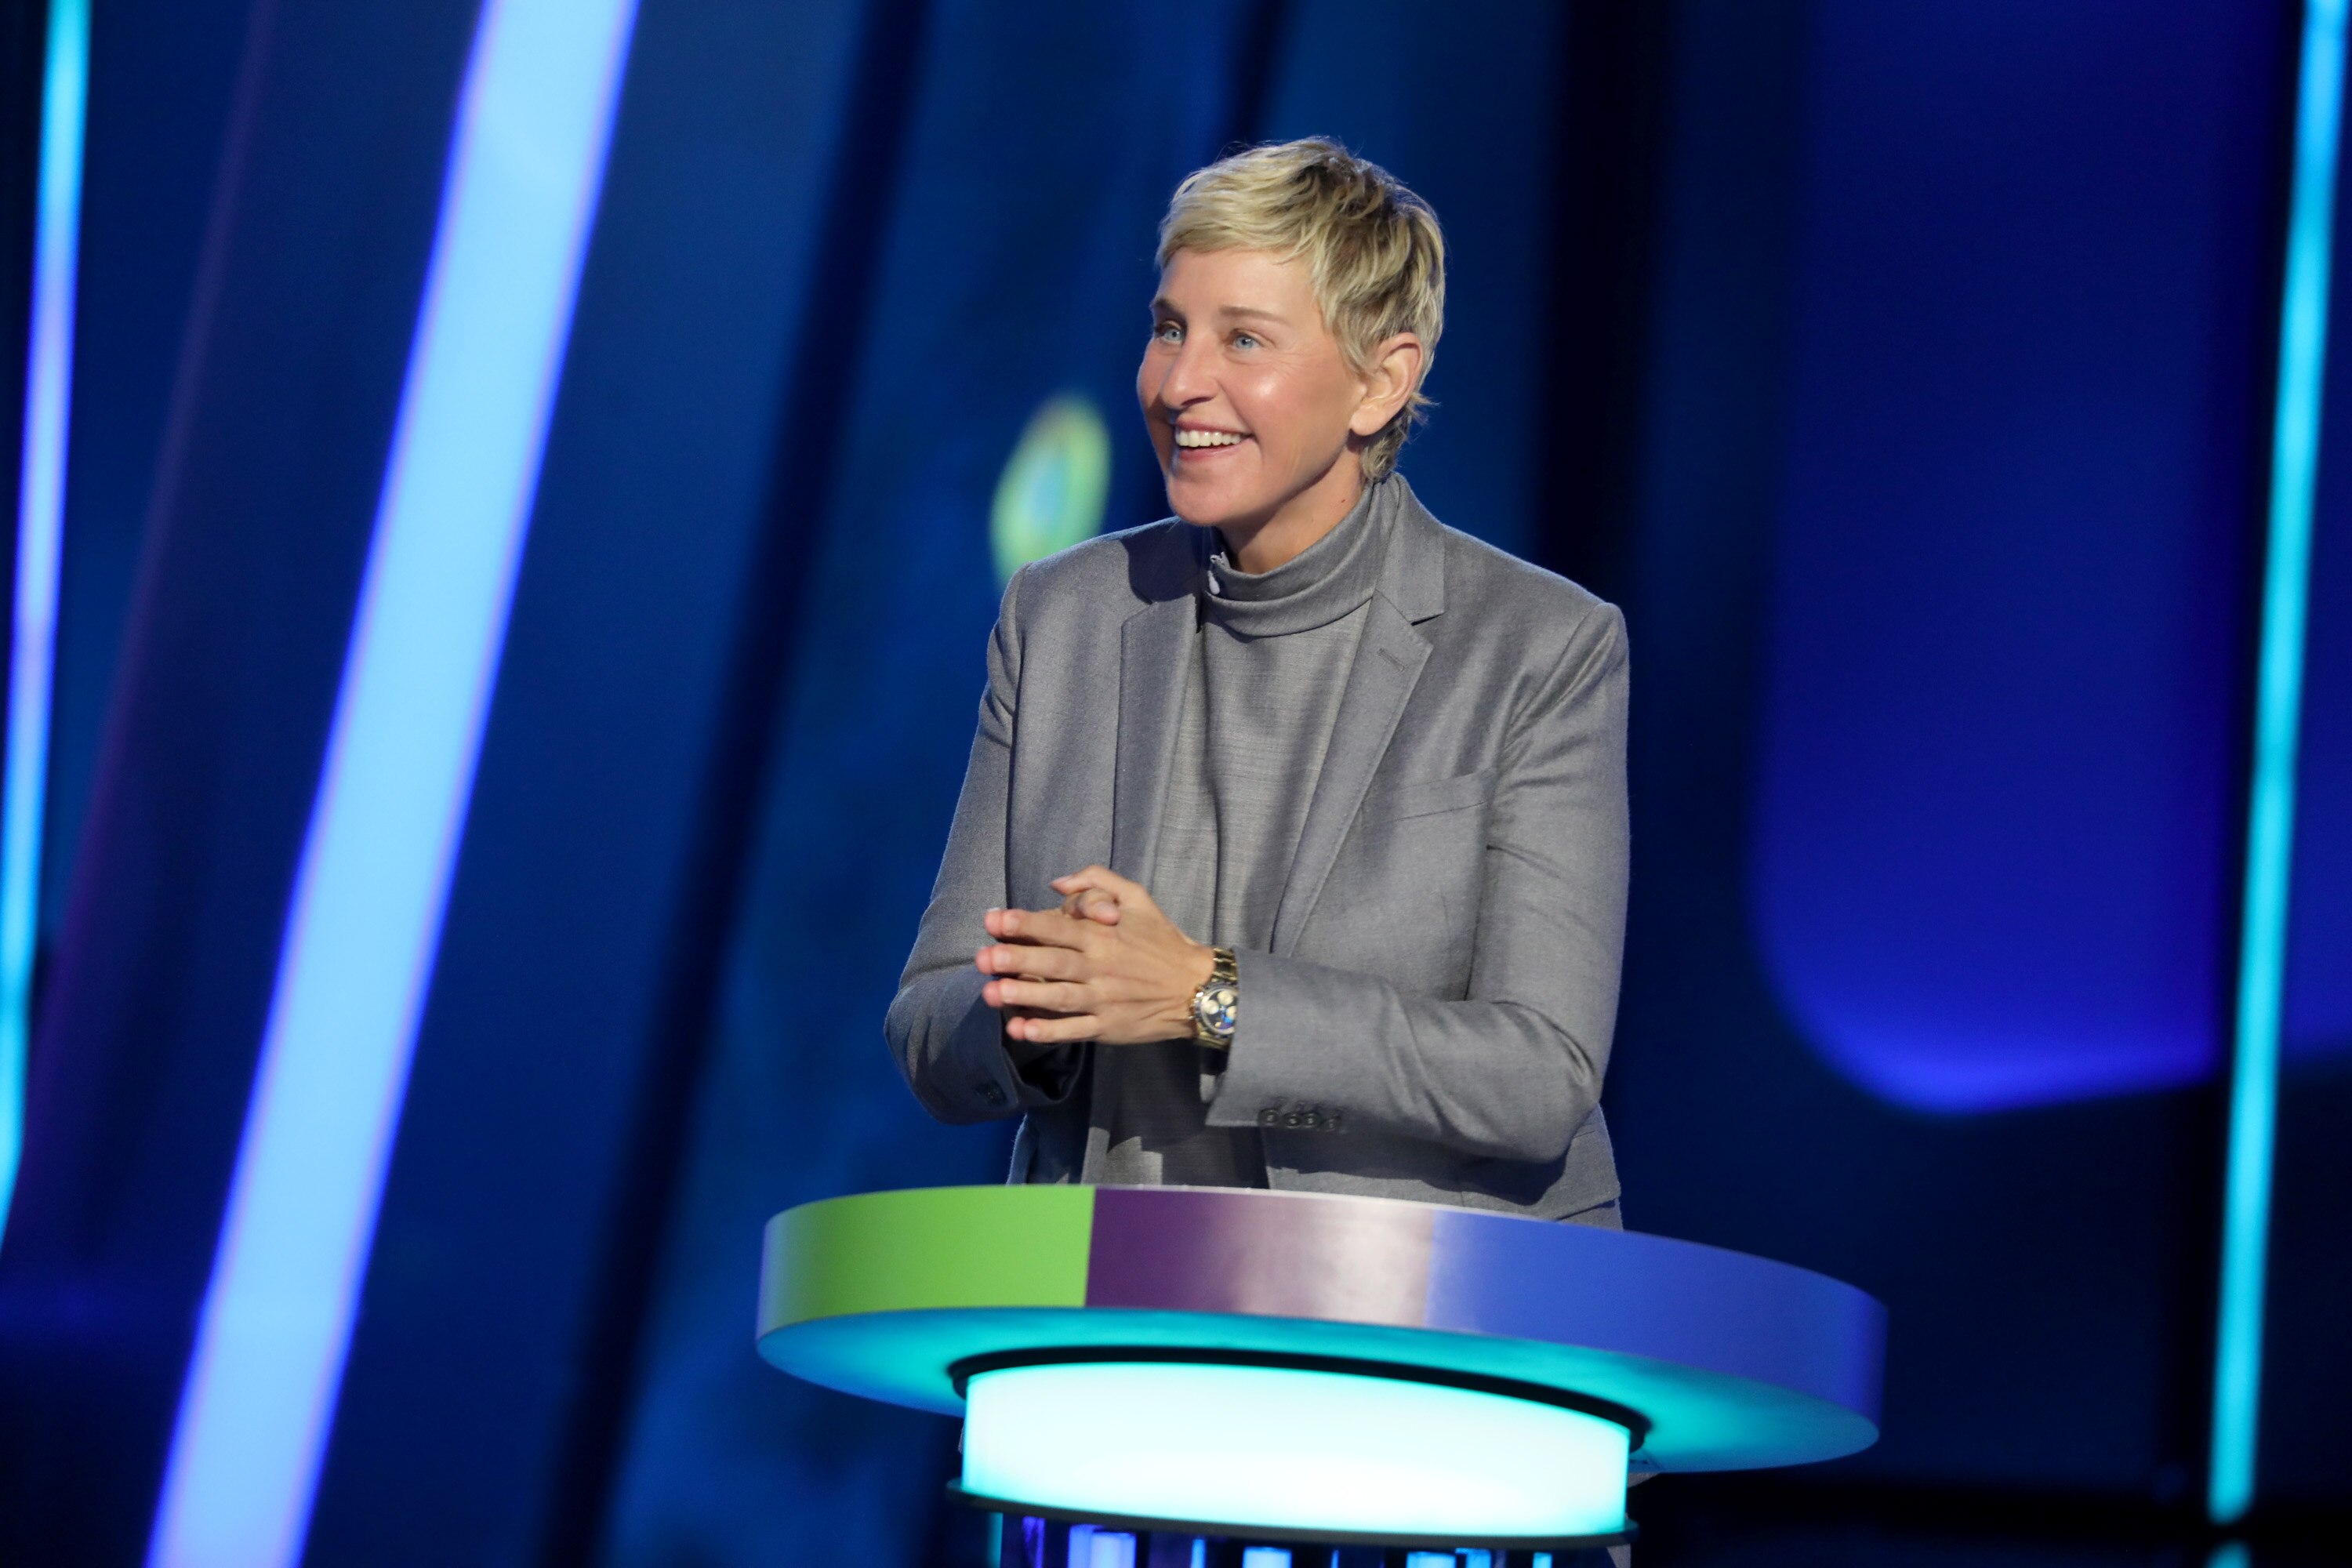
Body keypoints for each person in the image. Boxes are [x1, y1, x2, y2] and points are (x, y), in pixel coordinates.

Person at [887, 138, 1629, 1225]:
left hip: (1414, 1296)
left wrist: (1205, 998)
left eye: (1243, 339)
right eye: (1169, 329)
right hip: (1100, 1284)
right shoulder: (1064, 613)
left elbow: (1538, 1075)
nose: (1180, 383)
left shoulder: (1538, 646)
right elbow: (928, 1024)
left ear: (1383, 381)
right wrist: (1042, 1016)